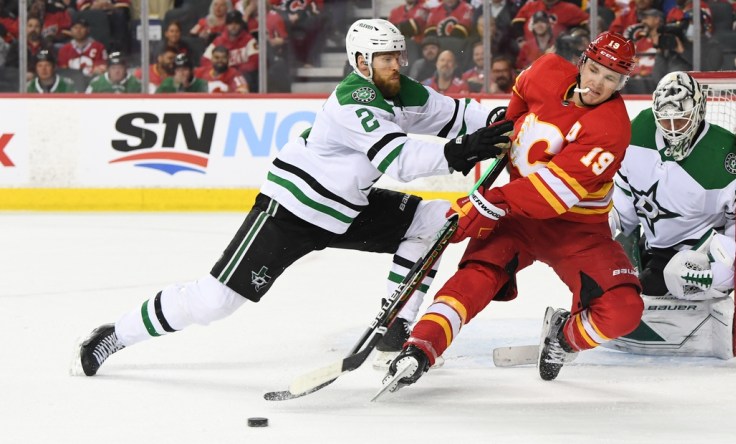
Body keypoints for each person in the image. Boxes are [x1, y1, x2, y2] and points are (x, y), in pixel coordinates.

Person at [76, 18, 513, 377]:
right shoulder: (352, 99)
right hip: (292, 211)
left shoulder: (402, 90)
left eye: (398, 55)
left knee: (435, 220)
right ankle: (117, 333)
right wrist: (459, 151)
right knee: (213, 301)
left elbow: (460, 113)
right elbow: (396, 157)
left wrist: (517, 115)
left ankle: (395, 324)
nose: (396, 64)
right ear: (362, 61)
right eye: (385, 58)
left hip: (347, 208)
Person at [381, 31, 642, 393]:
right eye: (595, 69)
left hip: (577, 231)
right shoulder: (546, 69)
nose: (598, 82)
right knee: (476, 277)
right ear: (583, 62)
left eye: (611, 78)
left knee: (624, 309)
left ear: (622, 82)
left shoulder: (611, 127)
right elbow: (519, 99)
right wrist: (508, 129)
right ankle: (421, 347)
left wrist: (490, 203)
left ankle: (563, 339)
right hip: (516, 221)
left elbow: (555, 193)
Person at [604, 72, 736, 358]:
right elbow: (624, 187)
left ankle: (707, 300)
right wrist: (605, 222)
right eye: (665, 120)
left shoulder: (723, 153)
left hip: (701, 252)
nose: (672, 129)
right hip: (652, 247)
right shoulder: (638, 131)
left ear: (698, 111)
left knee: (677, 274)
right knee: (606, 272)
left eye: (681, 120)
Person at [201, 10, 259, 82]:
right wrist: (220, 68)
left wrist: (236, 69)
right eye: (230, 23)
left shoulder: (249, 40)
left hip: (242, 77)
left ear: (241, 24)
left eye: (236, 23)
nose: (233, 26)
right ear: (226, 25)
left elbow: (255, 62)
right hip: (222, 76)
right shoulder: (219, 41)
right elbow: (205, 61)